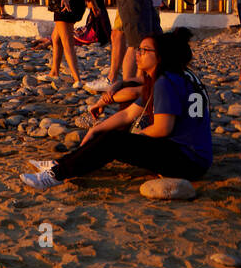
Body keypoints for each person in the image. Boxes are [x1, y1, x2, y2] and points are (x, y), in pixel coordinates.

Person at [20, 28, 212, 190]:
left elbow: (163, 128)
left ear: (160, 57)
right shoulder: (177, 76)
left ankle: (55, 175)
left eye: (145, 50)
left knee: (114, 141)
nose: (138, 54)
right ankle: (60, 163)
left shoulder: (166, 82)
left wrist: (132, 140)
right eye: (138, 49)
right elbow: (129, 113)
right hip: (193, 157)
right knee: (109, 135)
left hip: (188, 161)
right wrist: (96, 129)